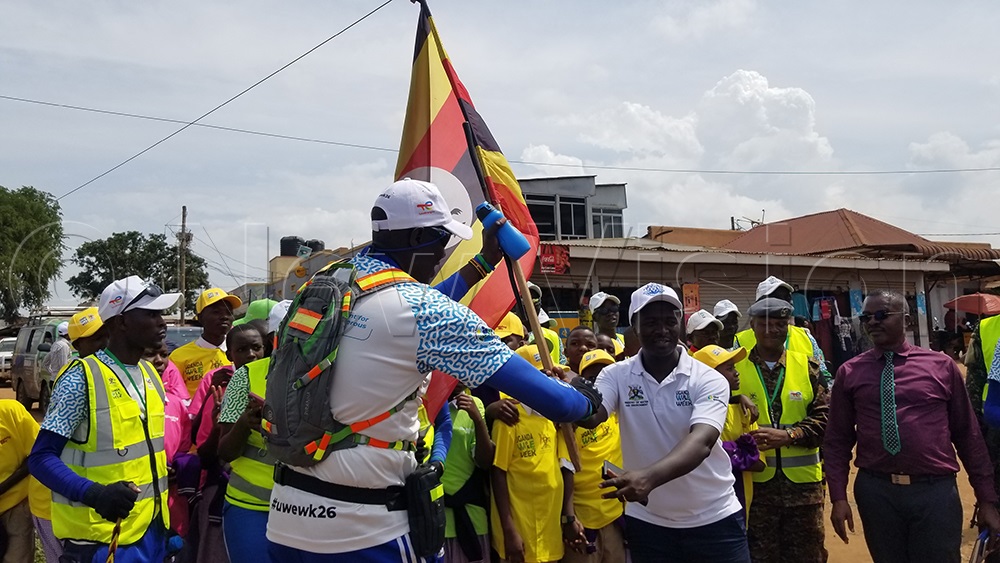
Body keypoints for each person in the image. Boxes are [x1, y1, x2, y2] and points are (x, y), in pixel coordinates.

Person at [265, 179, 600, 561]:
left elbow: (410, 313)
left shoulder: (329, 281)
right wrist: (587, 399)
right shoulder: (420, 310)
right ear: (418, 238)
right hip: (365, 530)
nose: (444, 253)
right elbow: (554, 402)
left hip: (288, 519)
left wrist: (485, 262)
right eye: (442, 240)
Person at [580, 283, 749, 563]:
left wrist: (648, 478)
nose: (662, 330)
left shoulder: (708, 378)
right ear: (634, 326)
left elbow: (702, 441)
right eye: (650, 322)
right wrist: (566, 393)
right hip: (650, 524)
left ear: (680, 325)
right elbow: (592, 415)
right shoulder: (615, 375)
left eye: (670, 321)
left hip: (715, 520)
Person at [829, 291, 1000, 562]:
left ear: (907, 321)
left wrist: (987, 500)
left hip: (934, 493)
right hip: (877, 493)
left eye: (882, 315)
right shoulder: (849, 372)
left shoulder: (941, 366)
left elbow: (968, 436)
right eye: (866, 317)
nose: (873, 322)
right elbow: (837, 439)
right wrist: (838, 497)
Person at [29, 275, 180, 562]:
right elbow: (41, 458)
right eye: (151, 313)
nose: (163, 321)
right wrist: (95, 494)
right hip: (99, 540)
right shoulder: (80, 379)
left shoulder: (150, 375)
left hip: (151, 533)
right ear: (121, 322)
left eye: (161, 313)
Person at [731, 298, 828, 563]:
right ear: (751, 326)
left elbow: (826, 419)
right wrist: (736, 398)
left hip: (804, 492)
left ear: (789, 327)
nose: (771, 330)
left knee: (809, 556)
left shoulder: (807, 367)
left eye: (779, 324)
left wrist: (790, 435)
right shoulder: (734, 370)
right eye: (763, 324)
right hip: (756, 490)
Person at [215, 303, 289, 563]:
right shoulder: (245, 376)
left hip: (309, 508)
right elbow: (224, 451)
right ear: (275, 338)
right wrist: (244, 425)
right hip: (251, 507)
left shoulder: (327, 376)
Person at [492, 346, 567, 563]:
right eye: (540, 377)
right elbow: (498, 474)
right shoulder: (509, 419)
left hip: (549, 531)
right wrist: (509, 531)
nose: (547, 384)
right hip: (521, 532)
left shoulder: (551, 416)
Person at [562, 350, 625, 563]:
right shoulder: (571, 421)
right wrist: (568, 517)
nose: (598, 382)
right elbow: (566, 468)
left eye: (604, 375)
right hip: (582, 519)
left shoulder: (616, 412)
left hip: (614, 515)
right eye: (591, 378)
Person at [692, 345, 763, 523]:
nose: (737, 373)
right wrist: (736, 451)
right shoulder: (691, 412)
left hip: (738, 505)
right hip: (703, 508)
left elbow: (759, 462)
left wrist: (726, 452)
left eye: (735, 367)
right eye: (729, 369)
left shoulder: (743, 410)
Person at [734, 276, 832, 385]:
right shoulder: (739, 341)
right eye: (775, 299)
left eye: (786, 298)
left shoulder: (806, 337)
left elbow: (823, 376)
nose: (783, 304)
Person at [441, 384, 492, 563]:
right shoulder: (426, 405)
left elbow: (485, 462)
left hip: (472, 519)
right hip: (436, 521)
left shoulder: (475, 404)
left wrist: (478, 420)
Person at [170, 287, 242, 397]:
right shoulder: (178, 357)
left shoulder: (241, 352)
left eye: (228, 312)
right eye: (216, 312)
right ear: (200, 317)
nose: (224, 317)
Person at [0, 399, 40, 563]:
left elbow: (39, 455)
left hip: (15, 505)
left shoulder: (10, 411)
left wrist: (3, 487)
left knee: (17, 558)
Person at [589, 292, 624, 357]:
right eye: (604, 310)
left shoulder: (625, 340)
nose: (610, 313)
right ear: (594, 317)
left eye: (614, 308)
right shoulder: (592, 345)